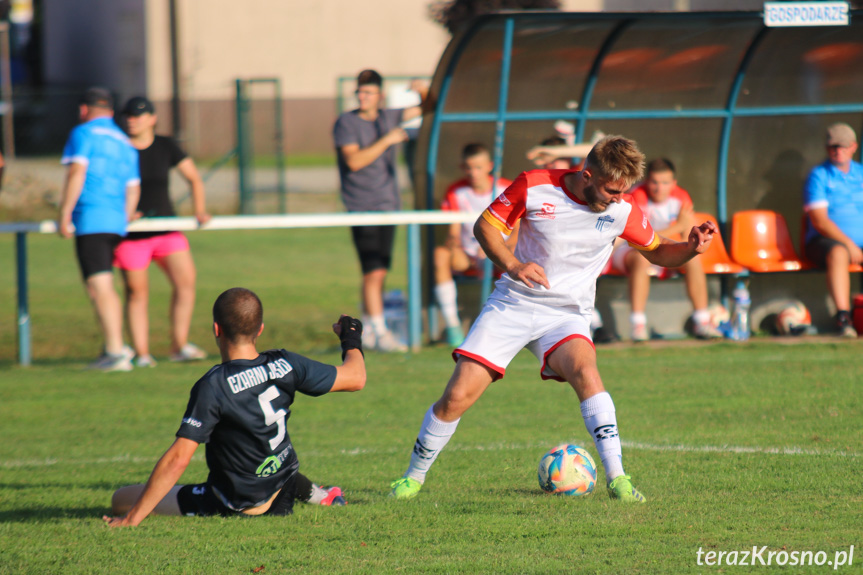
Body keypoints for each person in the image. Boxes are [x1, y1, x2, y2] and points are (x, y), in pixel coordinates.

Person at [390, 136, 717, 502]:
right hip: (513, 304)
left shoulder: (622, 210)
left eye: (625, 192)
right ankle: (411, 480)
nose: (618, 199)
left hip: (566, 315)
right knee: (456, 397)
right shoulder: (534, 185)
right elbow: (485, 227)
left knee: (587, 372)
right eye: (612, 190)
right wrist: (514, 265)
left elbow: (657, 252)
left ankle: (619, 480)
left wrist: (689, 248)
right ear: (588, 175)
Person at [102, 288, 366, 526]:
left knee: (121, 498)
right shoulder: (287, 362)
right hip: (282, 485)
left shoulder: (214, 385)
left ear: (216, 329)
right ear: (259, 329)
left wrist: (131, 518)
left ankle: (316, 495)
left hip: (241, 504)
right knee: (270, 455)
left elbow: (179, 459)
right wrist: (350, 337)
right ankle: (321, 495)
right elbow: (356, 378)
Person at [116, 96, 211, 367]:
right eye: (128, 115)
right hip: (131, 235)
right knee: (137, 293)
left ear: (152, 118)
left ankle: (179, 346)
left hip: (166, 230)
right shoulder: (118, 148)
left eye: (138, 114)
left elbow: (194, 178)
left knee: (186, 283)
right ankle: (142, 353)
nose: (132, 119)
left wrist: (199, 210)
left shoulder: (166, 145)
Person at [333, 69, 423, 352]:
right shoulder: (346, 123)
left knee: (380, 270)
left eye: (369, 92)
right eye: (360, 91)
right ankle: (379, 331)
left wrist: (423, 90)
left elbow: (430, 106)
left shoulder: (388, 116)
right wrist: (387, 140)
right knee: (373, 272)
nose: (363, 96)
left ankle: (371, 328)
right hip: (362, 206)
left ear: (380, 95)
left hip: (388, 205)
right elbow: (355, 161)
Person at [58, 87, 140, 371]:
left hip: (91, 219)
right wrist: (124, 218)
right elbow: (133, 188)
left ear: (84, 110)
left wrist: (65, 212)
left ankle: (117, 351)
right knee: (101, 287)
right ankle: (113, 347)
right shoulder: (125, 141)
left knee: (100, 285)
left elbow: (77, 172)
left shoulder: (83, 133)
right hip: (115, 221)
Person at [611, 158, 722, 341]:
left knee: (693, 258)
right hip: (630, 248)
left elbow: (688, 239)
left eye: (665, 183)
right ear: (647, 181)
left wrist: (696, 238)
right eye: (654, 182)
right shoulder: (637, 196)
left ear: (673, 183)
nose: (659, 188)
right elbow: (640, 236)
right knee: (641, 259)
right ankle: (637, 325)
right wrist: (678, 227)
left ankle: (702, 322)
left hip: (661, 249)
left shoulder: (681, 197)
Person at [434, 143, 512, 346]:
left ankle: (507, 328)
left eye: (478, 167)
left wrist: (492, 246)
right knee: (441, 254)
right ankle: (453, 327)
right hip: (468, 254)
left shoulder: (506, 189)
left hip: (498, 252)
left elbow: (518, 231)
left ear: (489, 166)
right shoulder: (456, 191)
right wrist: (455, 245)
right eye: (469, 167)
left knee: (517, 255)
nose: (473, 173)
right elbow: (453, 233)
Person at [803, 122, 863, 338]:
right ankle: (843, 317)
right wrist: (848, 244)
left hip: (858, 243)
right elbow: (820, 222)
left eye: (843, 146)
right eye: (833, 147)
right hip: (824, 242)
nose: (838, 151)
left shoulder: (861, 173)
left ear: (854, 147)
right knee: (839, 253)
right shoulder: (819, 176)